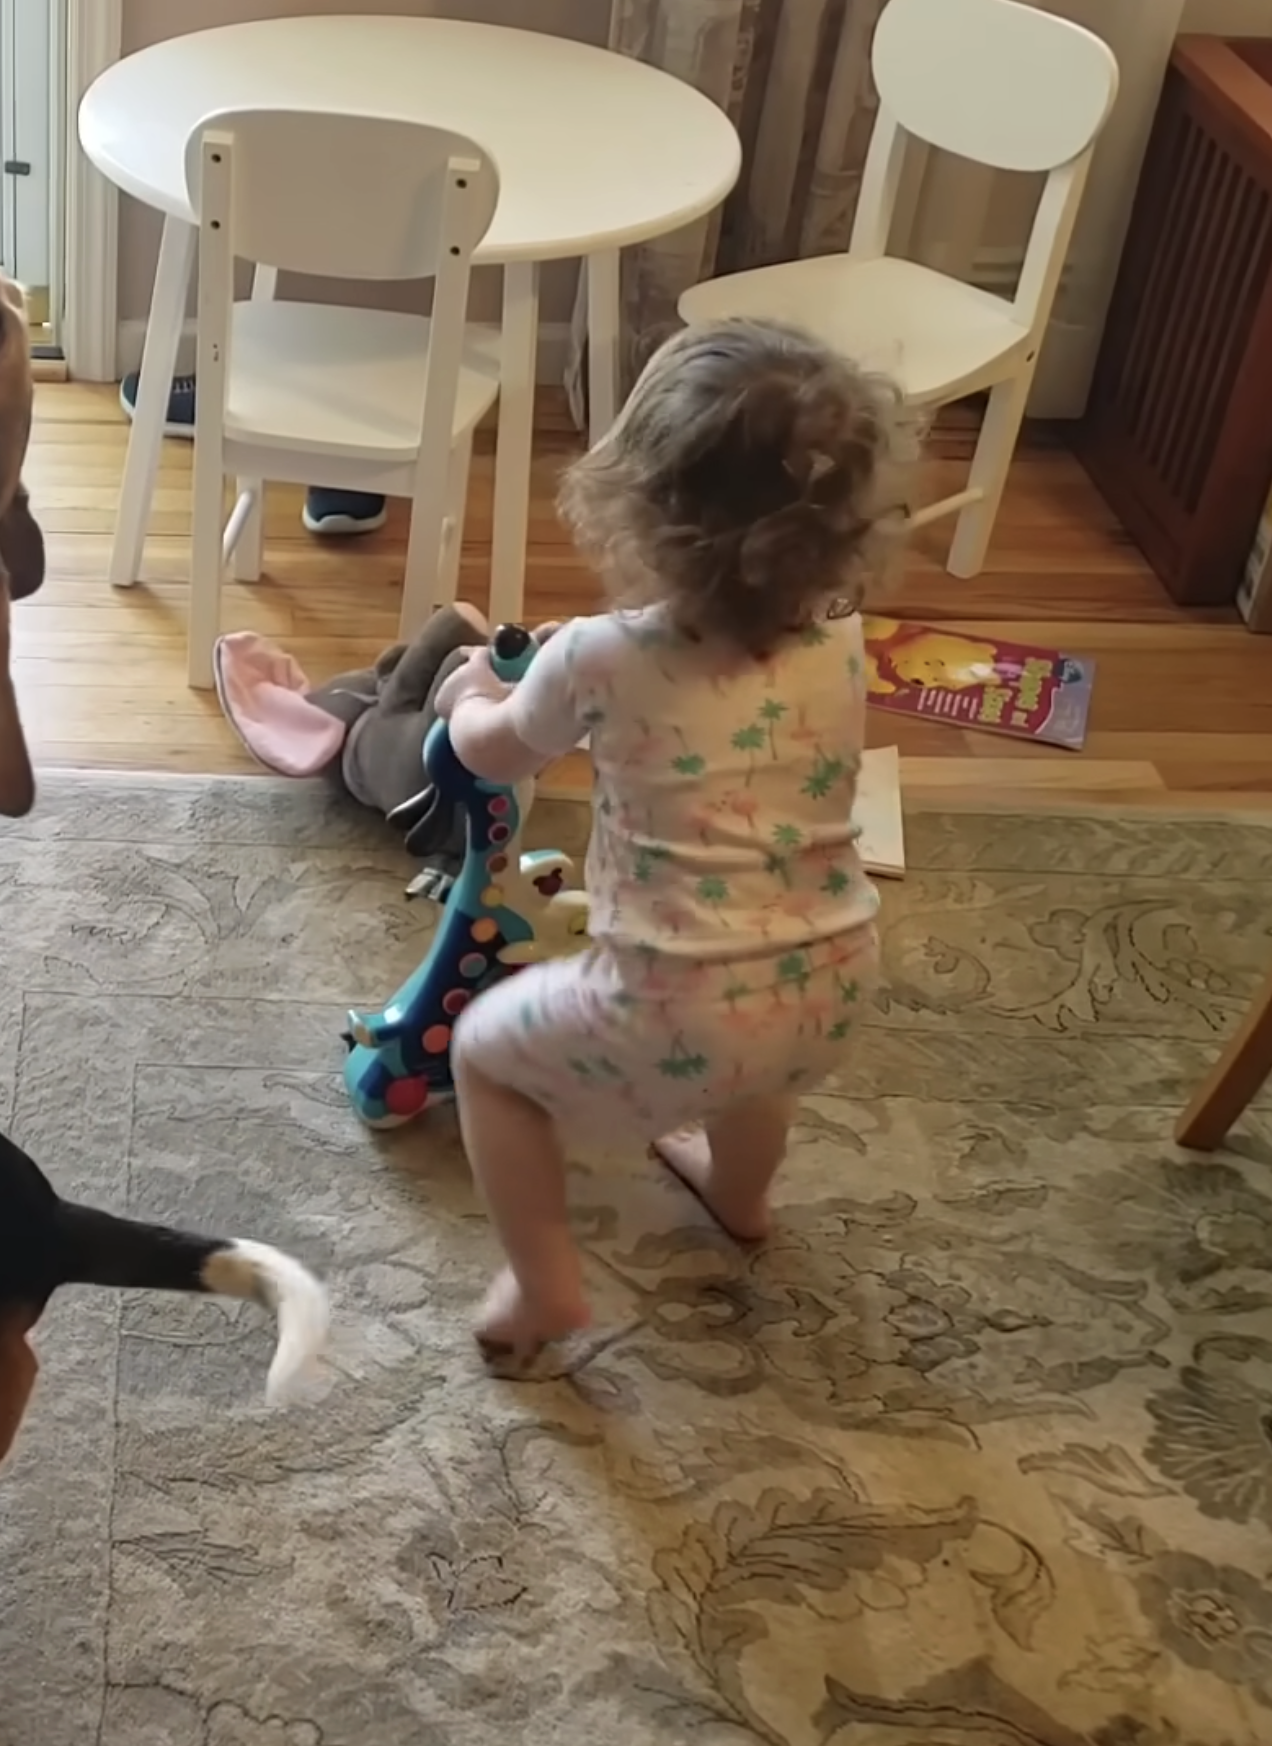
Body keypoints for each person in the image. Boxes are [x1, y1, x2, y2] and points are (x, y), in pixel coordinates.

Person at [431, 317, 904, 1365]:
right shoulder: (842, 636)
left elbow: (499, 751)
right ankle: (740, 1199)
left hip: (667, 998)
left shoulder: (601, 657)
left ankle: (542, 1286)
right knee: (755, 1068)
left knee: (488, 1059)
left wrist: (473, 693)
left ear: (640, 508)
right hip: (828, 973)